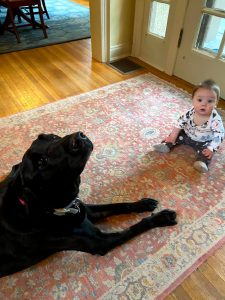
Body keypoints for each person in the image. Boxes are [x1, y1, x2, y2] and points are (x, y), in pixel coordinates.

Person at [153, 79, 224, 173]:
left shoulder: (215, 120)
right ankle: (166, 145)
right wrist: (173, 135)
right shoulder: (190, 112)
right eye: (199, 100)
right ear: (193, 100)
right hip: (187, 135)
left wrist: (211, 148)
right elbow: (180, 122)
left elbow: (219, 135)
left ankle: (202, 162)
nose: (204, 104)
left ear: (216, 103)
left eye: (210, 101)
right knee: (176, 134)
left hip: (203, 142)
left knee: (207, 152)